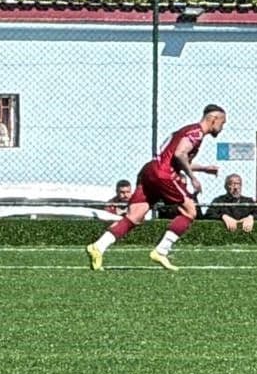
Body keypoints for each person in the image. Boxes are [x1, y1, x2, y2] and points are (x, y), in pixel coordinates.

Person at [86, 105, 226, 271]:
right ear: (213, 119)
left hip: (149, 170)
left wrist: (203, 168)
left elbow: (176, 157)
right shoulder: (197, 132)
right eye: (222, 122)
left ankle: (98, 246)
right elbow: (180, 154)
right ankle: (161, 251)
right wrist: (192, 177)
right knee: (190, 211)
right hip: (164, 174)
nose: (222, 127)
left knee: (135, 216)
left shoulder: (185, 130)